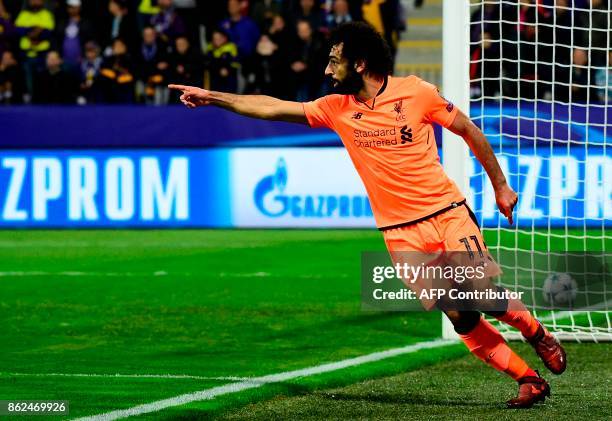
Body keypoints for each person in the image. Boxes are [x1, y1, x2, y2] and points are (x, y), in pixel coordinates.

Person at [168, 22, 566, 408]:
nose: (327, 70)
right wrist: (212, 96)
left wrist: (499, 185)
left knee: (482, 295)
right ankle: (528, 379)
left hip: (446, 213)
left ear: (359, 63)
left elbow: (468, 130)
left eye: (334, 61)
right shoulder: (335, 108)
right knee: (459, 314)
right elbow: (272, 108)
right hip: (399, 232)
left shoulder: (416, 92)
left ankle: (536, 332)